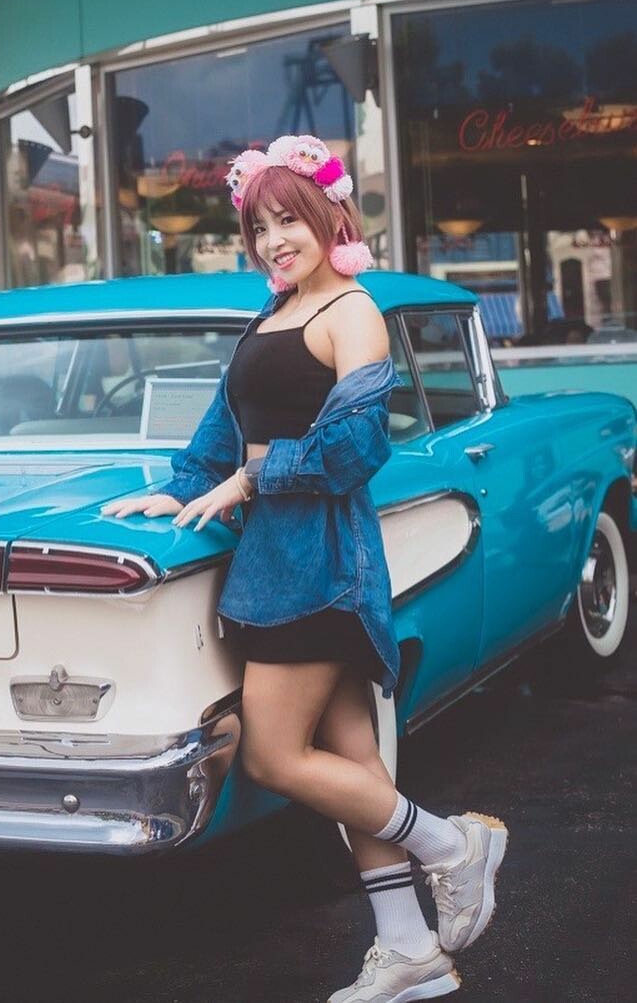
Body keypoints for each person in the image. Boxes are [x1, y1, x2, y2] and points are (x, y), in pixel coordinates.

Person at [102, 134, 508, 1003]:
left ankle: (451, 844)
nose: (273, 240)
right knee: (352, 762)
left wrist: (253, 477)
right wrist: (180, 488)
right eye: (258, 227)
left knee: (275, 757)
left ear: (329, 217)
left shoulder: (351, 311)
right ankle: (409, 949)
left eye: (288, 220)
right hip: (272, 559)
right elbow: (226, 420)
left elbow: (357, 445)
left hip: (321, 559)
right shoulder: (275, 310)